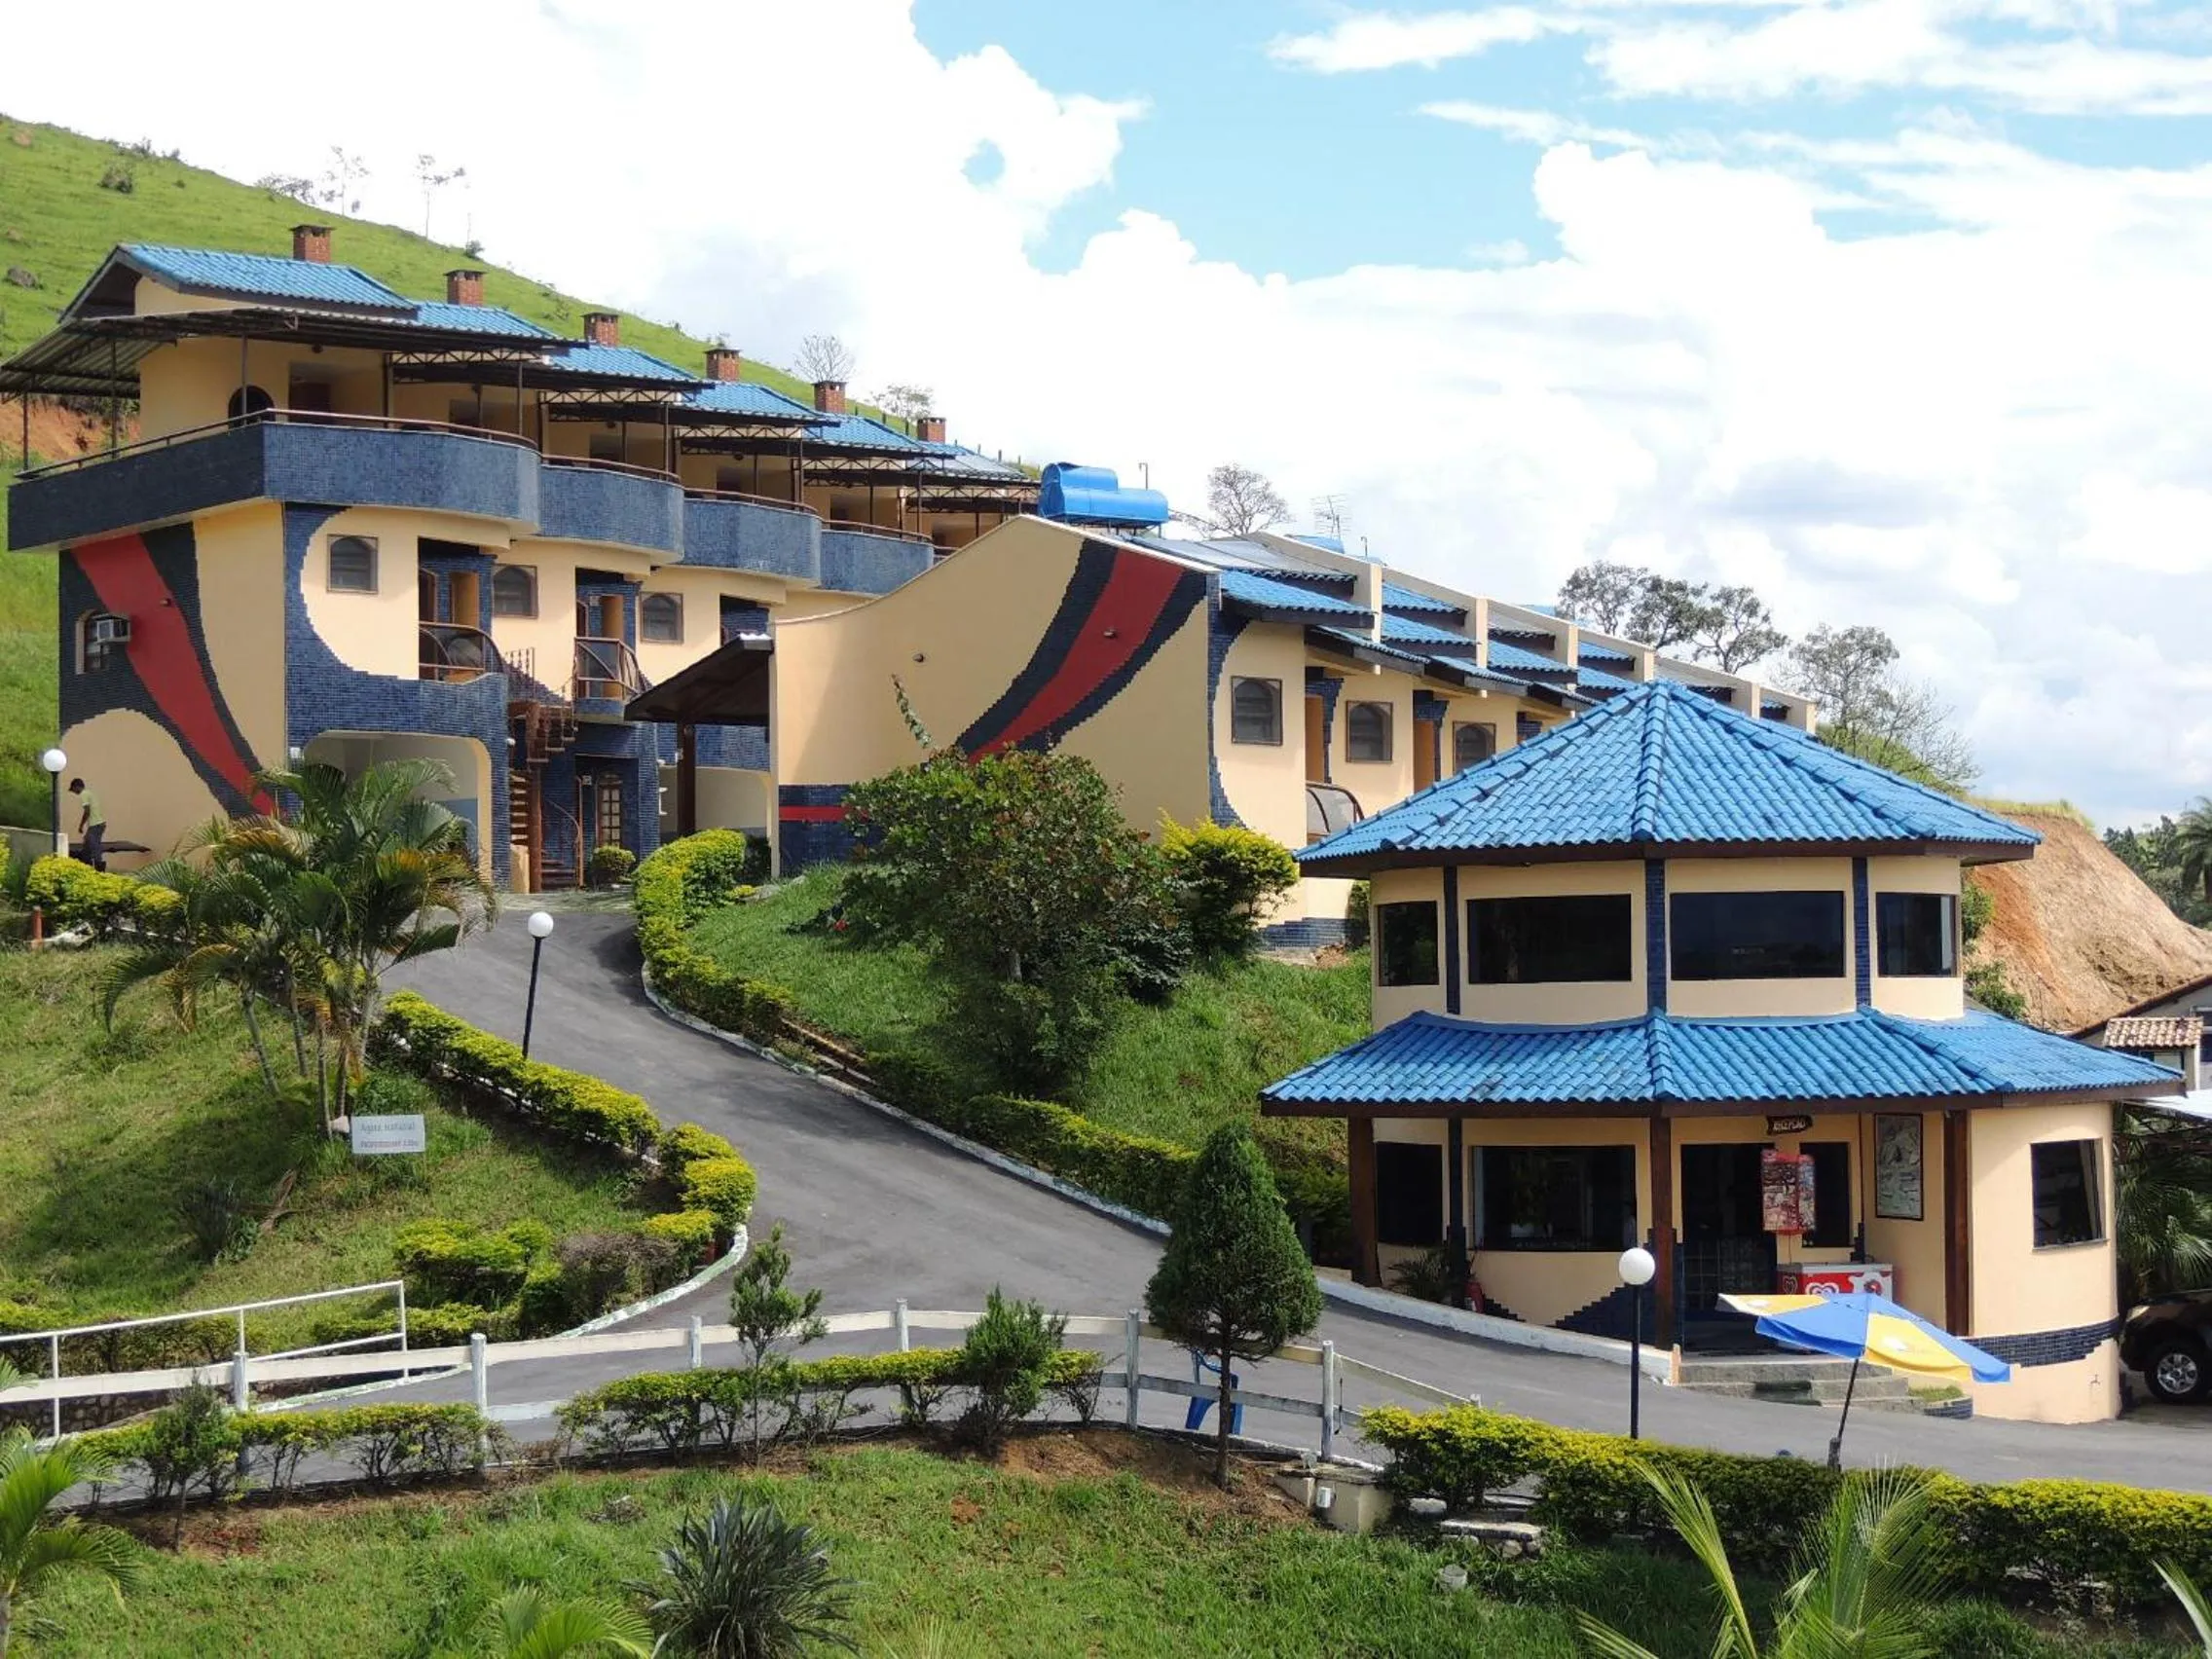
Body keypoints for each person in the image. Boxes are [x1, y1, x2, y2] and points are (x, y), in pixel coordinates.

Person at [68, 777, 106, 871]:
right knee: (87, 844)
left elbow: (87, 811)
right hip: (99, 824)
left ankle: (99, 869)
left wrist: (81, 825)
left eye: (73, 790)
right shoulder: (90, 793)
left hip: (95, 825)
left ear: (77, 787)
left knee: (94, 847)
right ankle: (85, 866)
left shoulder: (84, 794)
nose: (74, 792)